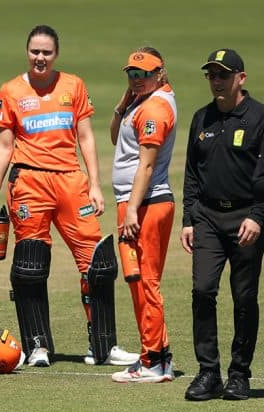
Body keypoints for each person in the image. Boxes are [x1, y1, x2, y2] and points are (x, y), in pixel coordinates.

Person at [0, 24, 138, 368]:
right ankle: (37, 346)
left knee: (98, 263)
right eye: (35, 52)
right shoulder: (10, 91)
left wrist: (95, 185)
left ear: (56, 55)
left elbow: (86, 138)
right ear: (27, 52)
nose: (40, 58)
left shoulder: (73, 86)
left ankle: (104, 346)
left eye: (46, 52)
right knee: (30, 267)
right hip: (29, 184)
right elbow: (5, 145)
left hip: (71, 181)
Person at [181, 49, 264, 401]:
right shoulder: (202, 119)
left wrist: (258, 216)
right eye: (212, 75)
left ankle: (239, 374)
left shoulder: (259, 117)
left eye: (223, 75)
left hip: (246, 218)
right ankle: (208, 373)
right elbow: (191, 174)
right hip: (208, 218)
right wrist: (188, 218)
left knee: (244, 297)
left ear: (240, 78)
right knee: (203, 291)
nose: (216, 81)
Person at [108, 48, 177, 383]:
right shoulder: (140, 102)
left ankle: (152, 361)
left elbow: (146, 165)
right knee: (139, 281)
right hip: (137, 203)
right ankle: (158, 354)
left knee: (145, 281)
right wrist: (124, 102)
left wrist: (132, 207)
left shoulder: (155, 108)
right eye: (132, 74)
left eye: (143, 74)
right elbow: (115, 140)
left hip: (145, 204)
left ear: (160, 73)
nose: (136, 80)